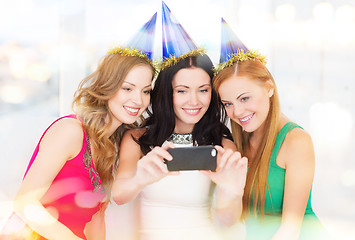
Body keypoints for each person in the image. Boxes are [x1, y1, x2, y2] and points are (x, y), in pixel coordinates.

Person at [9, 14, 158, 240]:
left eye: (146, 91)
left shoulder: (111, 145)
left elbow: (95, 221)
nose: (138, 100)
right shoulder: (71, 130)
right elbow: (25, 203)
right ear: (107, 87)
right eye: (128, 88)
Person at [112, 3, 247, 240]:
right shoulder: (136, 139)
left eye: (203, 90)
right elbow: (119, 195)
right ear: (167, 93)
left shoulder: (222, 145)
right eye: (182, 91)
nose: (194, 101)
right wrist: (140, 178)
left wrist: (232, 192)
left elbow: (227, 223)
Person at [213, 18, 332, 240]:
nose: (237, 112)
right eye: (228, 104)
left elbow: (290, 229)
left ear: (268, 87)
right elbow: (229, 221)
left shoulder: (296, 141)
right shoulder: (235, 142)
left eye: (245, 98)